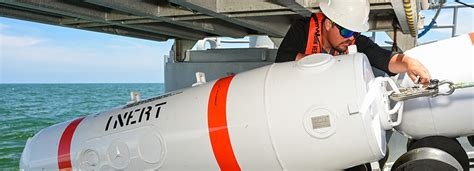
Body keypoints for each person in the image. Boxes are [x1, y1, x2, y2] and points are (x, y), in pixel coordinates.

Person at [275, 0, 431, 85]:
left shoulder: (353, 41)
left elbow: (384, 59)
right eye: (347, 31)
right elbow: (283, 60)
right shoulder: (302, 31)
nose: (351, 38)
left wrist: (409, 63)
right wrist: (328, 65)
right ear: (329, 24)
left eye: (356, 32)